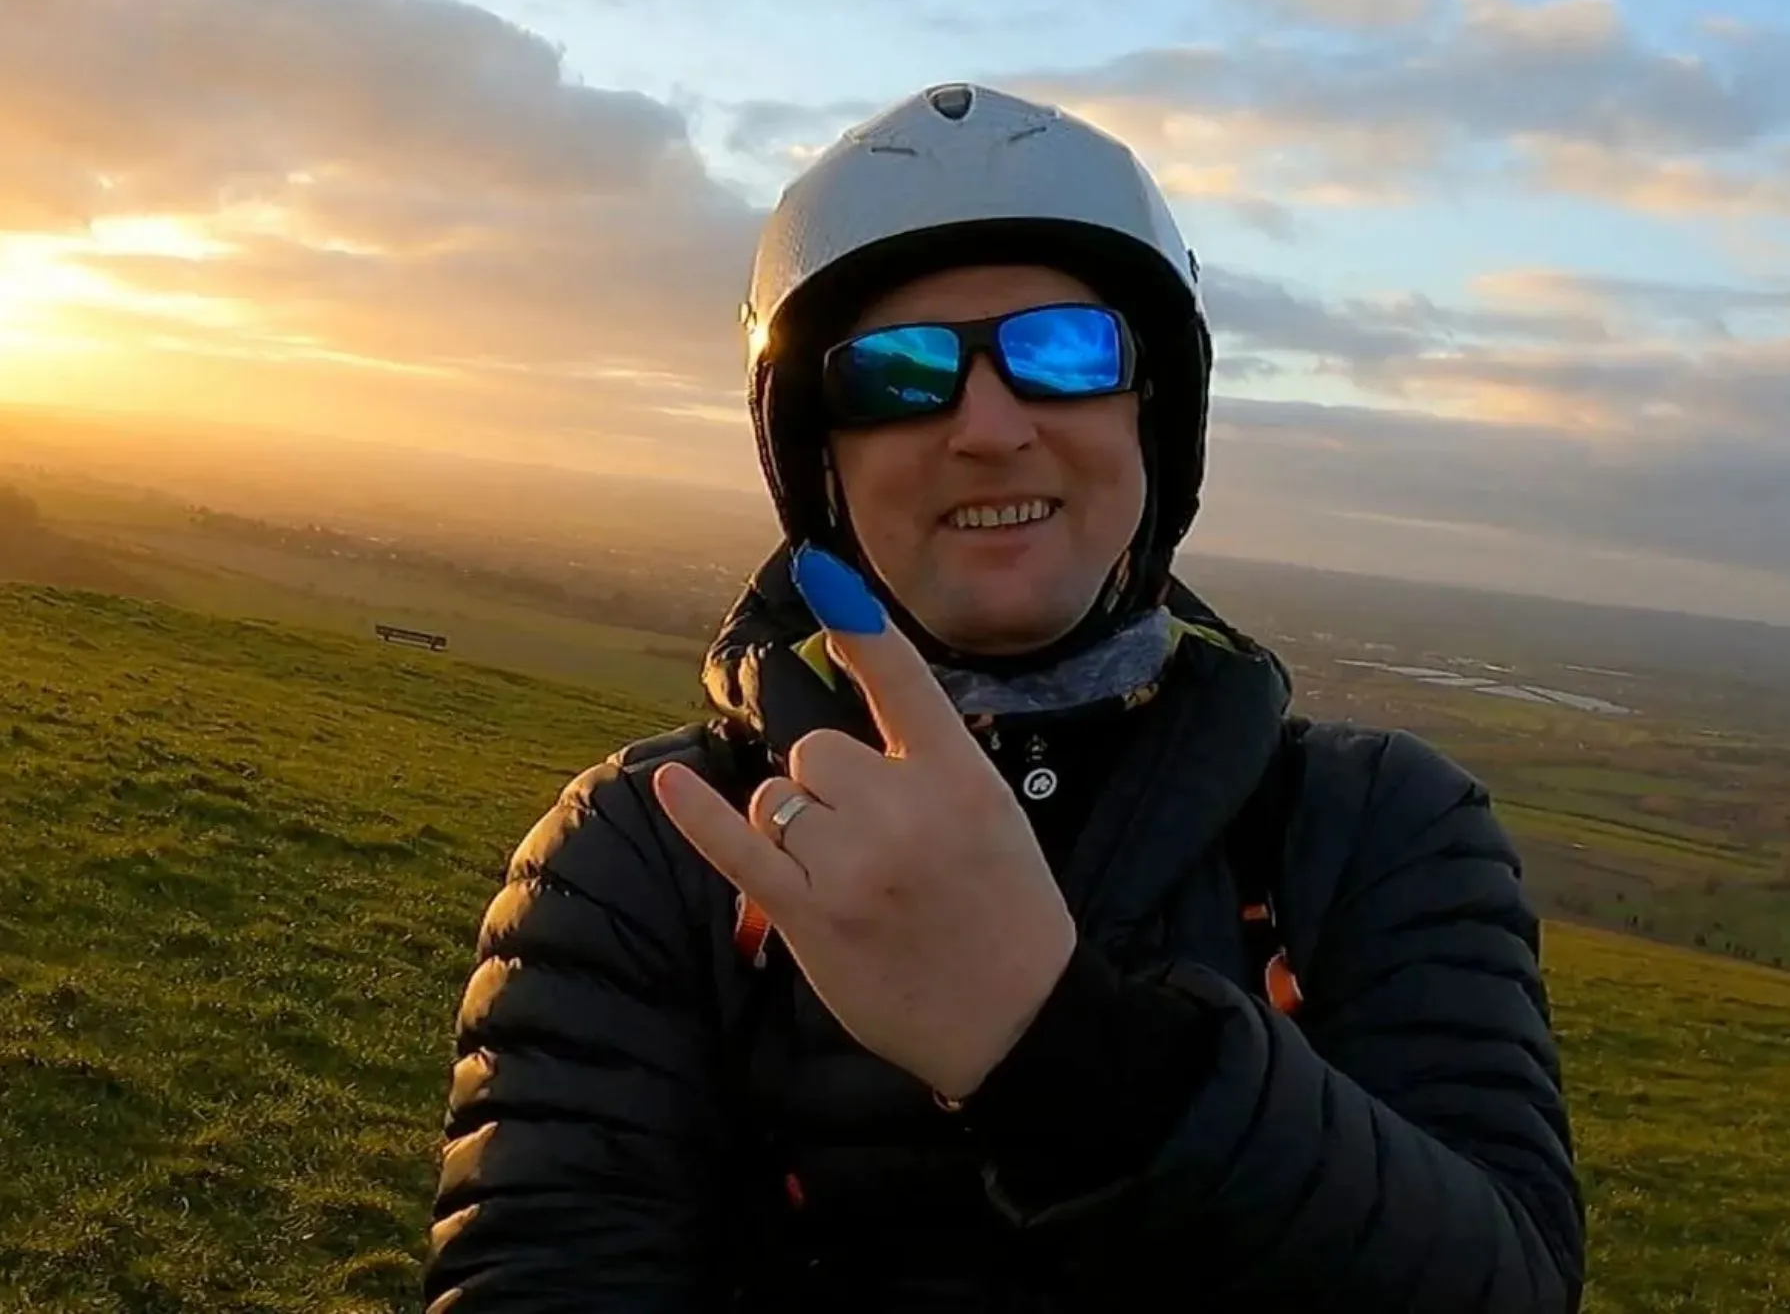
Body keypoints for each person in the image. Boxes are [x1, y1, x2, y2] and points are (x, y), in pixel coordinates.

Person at [421, 82, 1586, 1313]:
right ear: (820, 459)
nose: (988, 425)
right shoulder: (655, 841)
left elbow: (1503, 1282)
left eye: (1064, 353)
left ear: (1156, 420)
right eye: (897, 374)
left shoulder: (1375, 826)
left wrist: (1055, 1048)